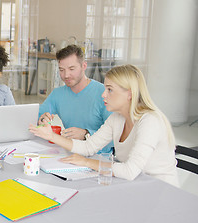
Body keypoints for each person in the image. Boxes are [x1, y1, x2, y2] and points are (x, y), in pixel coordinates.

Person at [30, 64, 179, 186]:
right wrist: (51, 136)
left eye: (110, 90)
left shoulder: (150, 121)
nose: (103, 95)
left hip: (161, 190)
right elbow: (89, 147)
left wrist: (87, 162)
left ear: (129, 94)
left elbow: (129, 170)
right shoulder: (117, 118)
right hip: (136, 185)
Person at [38, 44, 113, 153]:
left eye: (71, 69)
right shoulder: (57, 94)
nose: (66, 75)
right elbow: (37, 116)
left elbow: (117, 137)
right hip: (71, 153)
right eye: (61, 70)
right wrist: (41, 119)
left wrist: (86, 134)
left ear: (84, 66)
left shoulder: (104, 94)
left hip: (100, 158)